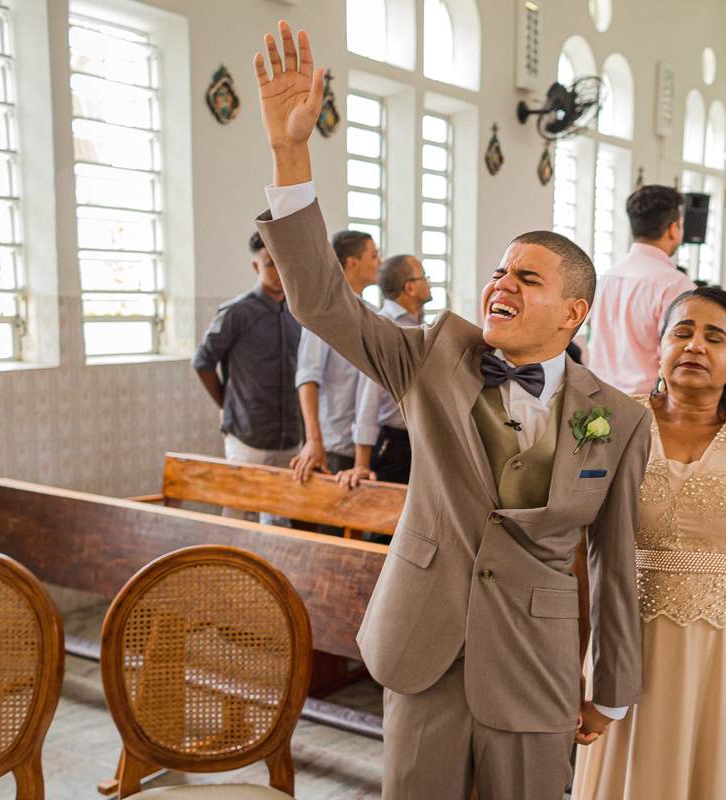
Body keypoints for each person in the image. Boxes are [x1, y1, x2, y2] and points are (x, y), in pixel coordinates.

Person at [253, 24, 651, 800]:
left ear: (573, 314)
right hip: (423, 648)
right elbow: (322, 302)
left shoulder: (621, 420)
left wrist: (611, 684)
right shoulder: (432, 356)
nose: (502, 283)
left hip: (534, 670)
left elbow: (615, 560)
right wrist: (291, 157)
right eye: (499, 269)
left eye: (527, 278)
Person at [573, 288, 726, 800]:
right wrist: (575, 666)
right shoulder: (611, 425)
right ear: (660, 347)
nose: (695, 346)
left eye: (715, 337)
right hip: (629, 648)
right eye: (682, 333)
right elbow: (581, 555)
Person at [193, 231, 303, 526]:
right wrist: (226, 404)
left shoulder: (299, 312)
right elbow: (203, 362)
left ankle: (272, 573)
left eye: (284, 263)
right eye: (270, 264)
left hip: (291, 435)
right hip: (247, 432)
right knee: (238, 513)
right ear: (256, 267)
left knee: (279, 516)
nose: (279, 272)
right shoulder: (237, 312)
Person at [587, 184, 698, 395]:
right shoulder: (675, 284)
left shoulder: (606, 277)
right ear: (673, 229)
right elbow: (680, 356)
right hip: (647, 403)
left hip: (598, 398)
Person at [340, 255, 431, 500]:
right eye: (425, 277)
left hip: (420, 439)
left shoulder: (421, 324)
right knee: (385, 525)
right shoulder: (384, 327)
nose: (429, 282)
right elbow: (368, 396)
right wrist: (362, 463)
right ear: (409, 287)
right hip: (394, 443)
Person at [292, 229, 378, 485]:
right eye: (373, 256)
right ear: (352, 262)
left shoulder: (370, 312)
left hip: (364, 442)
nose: (379, 263)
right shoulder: (325, 311)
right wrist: (313, 441)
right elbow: (308, 377)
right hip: (333, 443)